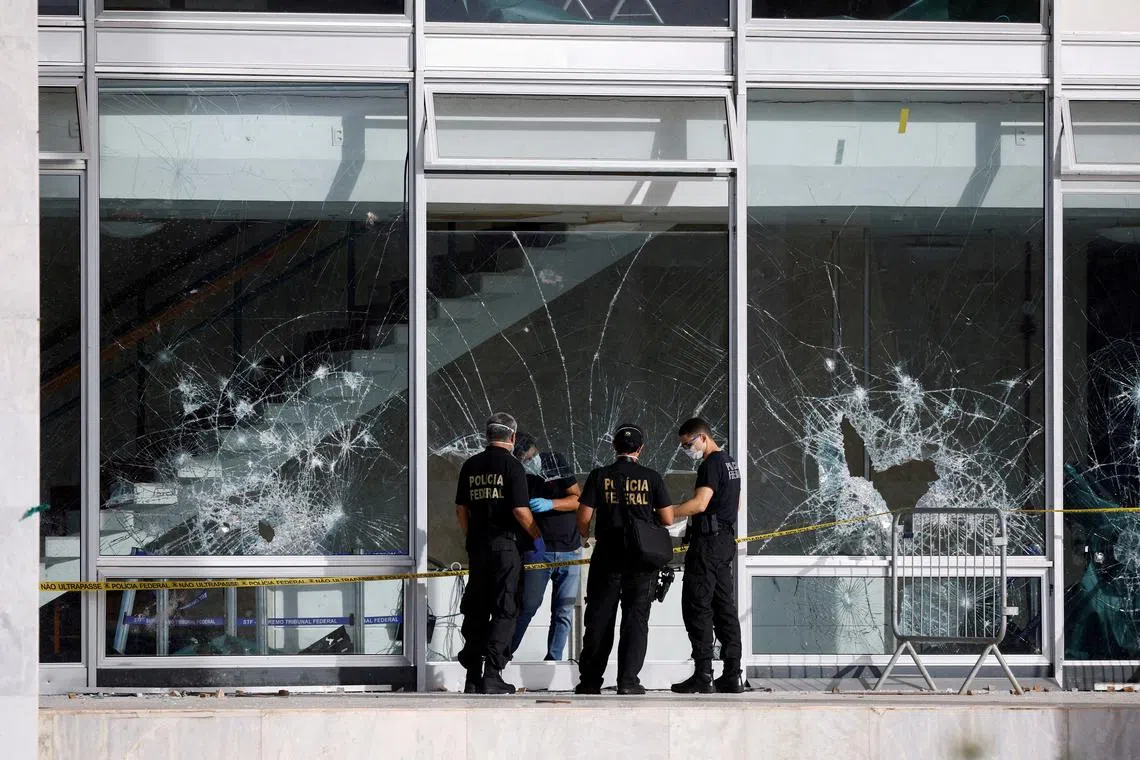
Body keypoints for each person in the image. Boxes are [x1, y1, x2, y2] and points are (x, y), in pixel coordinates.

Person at [574, 423, 673, 696]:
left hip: (607, 556)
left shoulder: (599, 475)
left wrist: (586, 537)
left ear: (614, 446)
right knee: (636, 619)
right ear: (640, 449)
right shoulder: (651, 478)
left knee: (599, 619)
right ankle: (628, 681)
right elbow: (667, 518)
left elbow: (583, 517)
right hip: (641, 559)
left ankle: (590, 681)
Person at [455, 412, 545, 695]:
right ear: (513, 437)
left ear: (487, 435)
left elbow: (461, 510)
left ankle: (472, 675)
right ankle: (493, 673)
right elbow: (520, 511)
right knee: (505, 608)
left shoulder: (471, 465)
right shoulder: (513, 466)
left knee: (477, 608)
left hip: (478, 547)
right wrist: (537, 536)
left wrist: (471, 535)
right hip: (506, 547)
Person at [669, 417, 745, 694]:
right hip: (724, 540)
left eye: (687, 444)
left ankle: (703, 673)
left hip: (708, 544)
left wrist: (668, 512)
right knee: (724, 606)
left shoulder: (710, 464)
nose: (687, 450)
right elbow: (736, 504)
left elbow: (700, 504)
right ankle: (733, 673)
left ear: (702, 437)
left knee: (697, 605)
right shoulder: (730, 463)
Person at [510, 432, 582, 661]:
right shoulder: (517, 472)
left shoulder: (555, 461)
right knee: (527, 606)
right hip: (537, 550)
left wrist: (552, 503)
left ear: (534, 450)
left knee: (563, 611)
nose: (526, 461)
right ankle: (502, 656)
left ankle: (554, 660)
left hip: (568, 548)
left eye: (528, 456)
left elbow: (577, 499)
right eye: (521, 459)